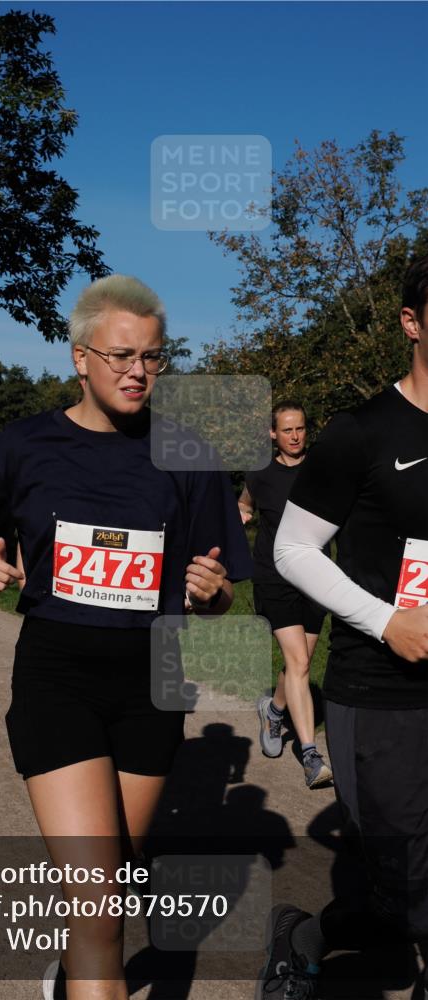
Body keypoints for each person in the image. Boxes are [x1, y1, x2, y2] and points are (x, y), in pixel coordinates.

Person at [0, 275, 254, 1000]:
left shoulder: (189, 454)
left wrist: (214, 595)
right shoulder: (24, 444)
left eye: (152, 357)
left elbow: (220, 587)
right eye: (120, 356)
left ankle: (73, 975)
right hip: (59, 676)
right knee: (101, 904)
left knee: (114, 875)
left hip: (153, 682)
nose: (138, 372)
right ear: (80, 357)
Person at [257, 255, 428, 999]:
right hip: (384, 690)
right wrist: (387, 620)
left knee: (412, 894)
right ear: (412, 322)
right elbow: (291, 548)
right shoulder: (360, 434)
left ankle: (314, 935)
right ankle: (306, 937)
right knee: (411, 884)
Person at [238, 403, 333, 789]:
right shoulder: (260, 474)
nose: (295, 436)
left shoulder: (323, 471)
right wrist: (238, 517)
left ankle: (274, 709)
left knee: (302, 662)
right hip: (274, 577)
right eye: (287, 430)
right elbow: (245, 504)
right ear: (272, 434)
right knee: (298, 661)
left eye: (301, 429)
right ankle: (311, 755)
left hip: (316, 577)